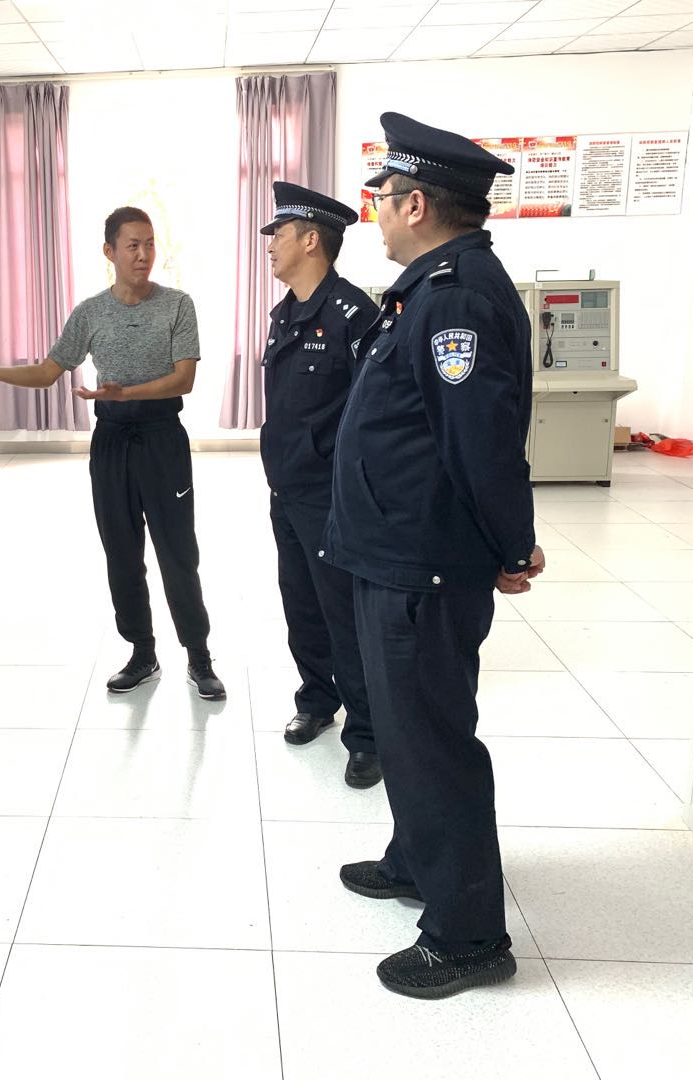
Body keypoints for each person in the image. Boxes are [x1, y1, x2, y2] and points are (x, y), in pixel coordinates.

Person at [323, 113, 546, 999]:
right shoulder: (429, 288)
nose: (373, 211)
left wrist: (512, 543)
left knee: (431, 741)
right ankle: (418, 859)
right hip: (395, 550)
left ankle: (467, 936)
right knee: (406, 728)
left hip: (424, 560)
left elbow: (481, 443)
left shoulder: (453, 298)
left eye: (380, 196)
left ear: (415, 205)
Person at [0, 206, 225, 700]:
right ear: (109, 252)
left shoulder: (178, 305)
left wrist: (126, 393)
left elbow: (184, 379)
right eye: (132, 245)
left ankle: (199, 656)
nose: (143, 254)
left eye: (150, 244)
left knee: (178, 552)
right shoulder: (91, 313)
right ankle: (142, 652)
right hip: (111, 441)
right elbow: (47, 371)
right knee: (122, 552)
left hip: (162, 438)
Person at [257, 182, 382, 788]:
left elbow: (373, 414)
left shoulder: (354, 316)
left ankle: (368, 734)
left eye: (278, 234)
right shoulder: (285, 315)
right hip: (287, 490)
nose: (270, 245)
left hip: (331, 497)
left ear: (311, 240)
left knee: (342, 615)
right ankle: (316, 700)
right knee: (301, 605)